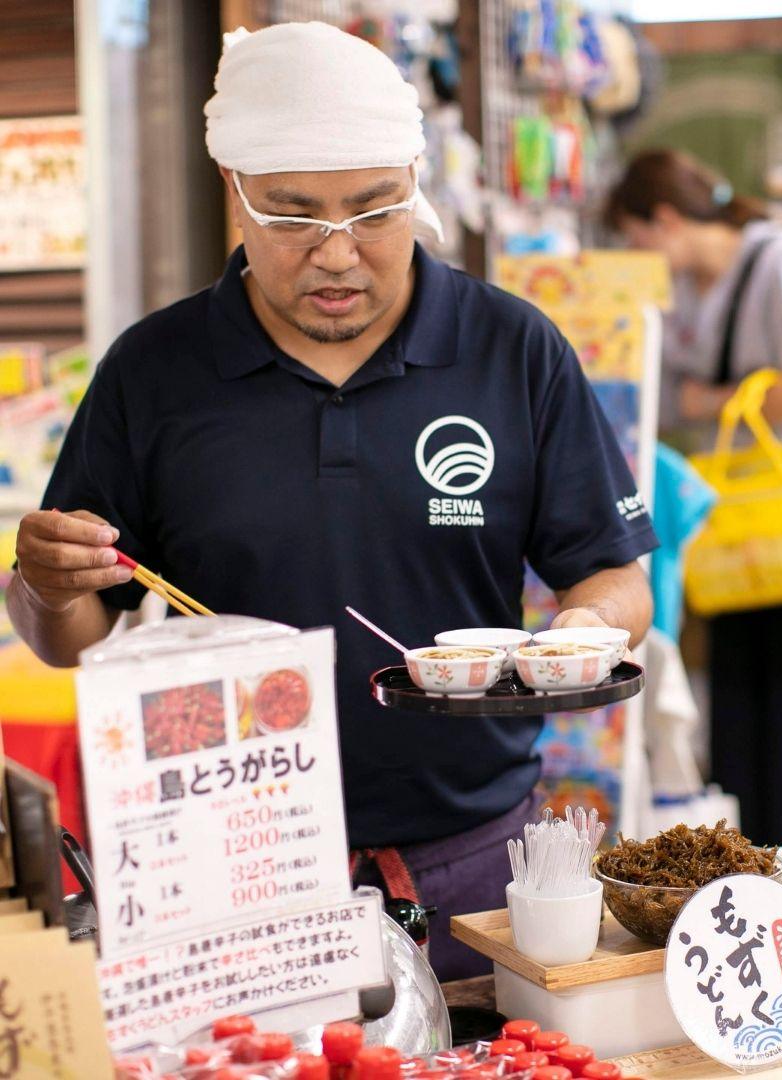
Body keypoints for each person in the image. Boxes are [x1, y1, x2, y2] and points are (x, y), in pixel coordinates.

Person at [10, 22, 656, 980]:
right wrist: (49, 585)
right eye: (292, 216)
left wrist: (582, 630)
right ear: (233, 194)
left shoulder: (511, 349)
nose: (338, 255)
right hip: (232, 873)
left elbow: (614, 575)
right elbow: (72, 634)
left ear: (415, 184)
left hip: (475, 862)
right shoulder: (155, 371)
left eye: (373, 210)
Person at [605, 149, 782, 857]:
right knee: (753, 686)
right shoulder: (694, 289)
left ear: (666, 219)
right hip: (754, 523)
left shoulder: (778, 259)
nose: (636, 254)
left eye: (635, 235)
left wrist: (710, 399)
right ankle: (763, 847)